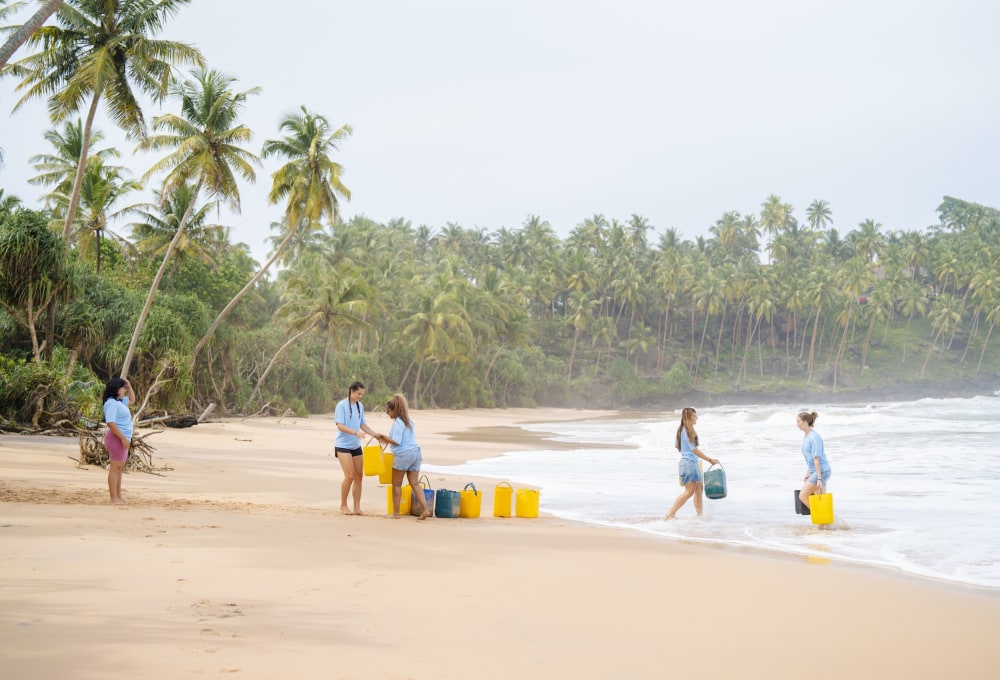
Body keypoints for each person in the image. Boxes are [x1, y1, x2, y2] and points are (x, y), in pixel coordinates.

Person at [334, 381, 384, 515]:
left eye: (361, 394)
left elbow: (363, 425)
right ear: (351, 391)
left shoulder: (359, 406)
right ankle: (343, 505)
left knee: (358, 477)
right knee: (349, 476)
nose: (359, 396)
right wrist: (355, 433)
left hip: (355, 446)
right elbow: (339, 425)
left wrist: (375, 435)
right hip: (342, 446)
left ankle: (357, 507)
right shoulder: (341, 405)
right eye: (358, 393)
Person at [379, 393, 431, 520]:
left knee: (396, 485)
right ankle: (425, 510)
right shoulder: (409, 421)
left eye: (388, 412)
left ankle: (396, 513)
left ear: (394, 410)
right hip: (416, 453)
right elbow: (404, 439)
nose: (388, 415)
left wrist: (382, 436)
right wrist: (387, 440)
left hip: (404, 454)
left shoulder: (398, 423)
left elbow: (397, 441)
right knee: (415, 483)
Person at [665, 407, 718, 520]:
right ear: (688, 417)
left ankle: (699, 515)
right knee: (689, 492)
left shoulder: (682, 430)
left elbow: (677, 446)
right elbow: (694, 450)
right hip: (689, 463)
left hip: (691, 463)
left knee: (699, 489)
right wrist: (709, 460)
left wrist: (688, 454)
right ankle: (670, 513)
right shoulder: (687, 431)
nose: (696, 418)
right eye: (694, 416)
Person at [102, 376, 135, 505]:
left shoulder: (119, 401)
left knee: (120, 468)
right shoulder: (111, 403)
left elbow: (132, 400)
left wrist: (129, 385)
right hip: (117, 439)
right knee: (115, 468)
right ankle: (113, 498)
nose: (124, 390)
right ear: (116, 389)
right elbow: (110, 422)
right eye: (122, 388)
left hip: (123, 438)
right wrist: (122, 438)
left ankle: (118, 496)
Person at [797, 410, 831, 509]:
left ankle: (820, 517)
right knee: (821, 502)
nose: (797, 424)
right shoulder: (806, 437)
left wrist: (819, 478)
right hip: (816, 472)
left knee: (803, 496)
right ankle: (828, 522)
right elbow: (810, 459)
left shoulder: (814, 437)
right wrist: (808, 473)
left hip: (822, 471)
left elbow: (817, 459)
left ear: (805, 422)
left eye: (798, 421)